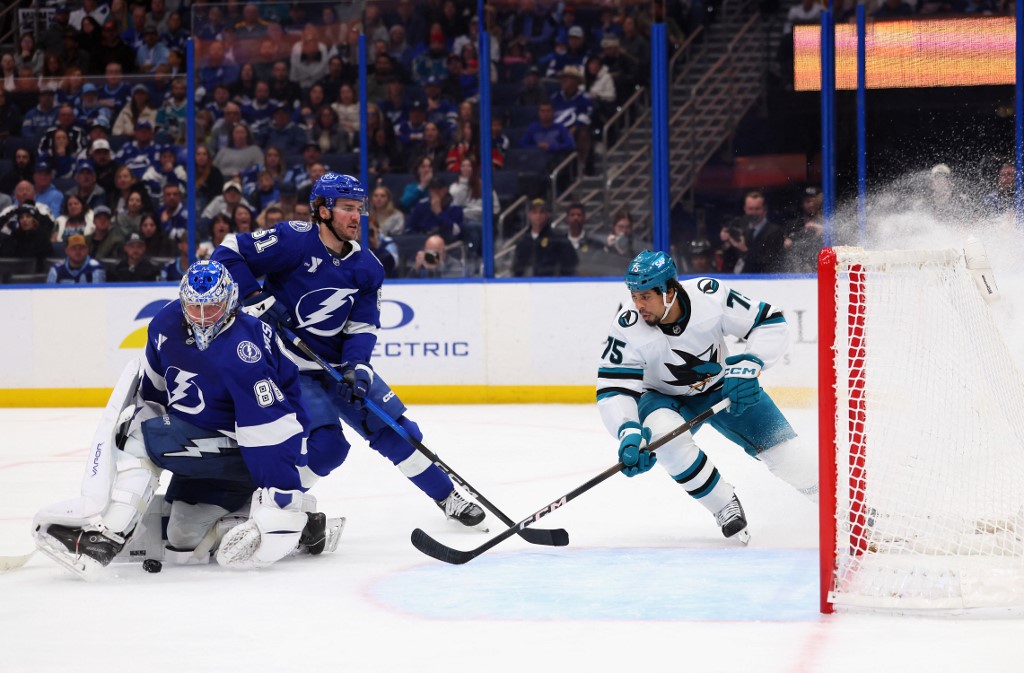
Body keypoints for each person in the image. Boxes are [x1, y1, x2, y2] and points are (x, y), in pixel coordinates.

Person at [212, 173, 486, 528]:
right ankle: (280, 501)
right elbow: (229, 251)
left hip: (337, 365)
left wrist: (358, 367)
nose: (356, 217)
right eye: (346, 208)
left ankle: (447, 497)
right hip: (291, 366)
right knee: (328, 448)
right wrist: (254, 298)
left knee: (401, 431)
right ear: (322, 211)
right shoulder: (292, 239)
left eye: (358, 208)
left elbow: (362, 325)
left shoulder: (368, 267)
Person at [33, 260, 335, 578]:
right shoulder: (165, 324)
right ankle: (307, 529)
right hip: (205, 450)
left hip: (243, 451)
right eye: (195, 307)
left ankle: (108, 535)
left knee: (144, 438)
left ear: (231, 302)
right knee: (182, 541)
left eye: (213, 308)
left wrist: (282, 497)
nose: (203, 318)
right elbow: (152, 394)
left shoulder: (245, 352)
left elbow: (273, 433)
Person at [595, 250, 818, 544]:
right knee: (666, 439)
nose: (638, 305)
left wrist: (751, 364)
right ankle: (723, 504)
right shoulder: (626, 326)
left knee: (788, 458)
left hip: (725, 388)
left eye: (646, 296)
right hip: (662, 397)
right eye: (634, 295)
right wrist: (627, 430)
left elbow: (769, 321)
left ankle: (843, 506)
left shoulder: (709, 296)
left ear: (669, 291)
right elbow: (614, 388)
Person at [512, 199, 578, 277]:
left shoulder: (558, 239)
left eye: (541, 212)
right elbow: (517, 269)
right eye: (534, 212)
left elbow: (570, 264)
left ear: (546, 215)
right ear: (529, 215)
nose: (538, 216)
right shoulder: (523, 241)